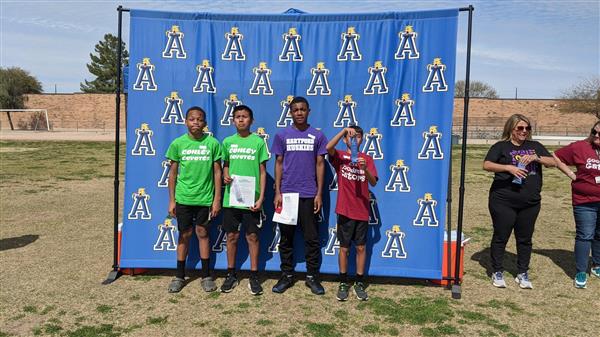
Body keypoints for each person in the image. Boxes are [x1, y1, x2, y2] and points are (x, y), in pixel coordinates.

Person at [483, 114, 555, 289]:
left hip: (530, 202)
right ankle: (497, 270)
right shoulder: (501, 147)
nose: (524, 131)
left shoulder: (535, 146)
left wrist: (536, 158)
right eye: (520, 128)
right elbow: (487, 164)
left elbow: (552, 162)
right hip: (503, 200)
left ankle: (522, 272)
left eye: (527, 128)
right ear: (511, 129)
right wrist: (508, 168)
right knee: (501, 235)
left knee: (525, 238)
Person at [271, 96, 328, 295]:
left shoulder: (317, 136)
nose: (299, 113)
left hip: (308, 194)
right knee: (285, 238)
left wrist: (319, 193)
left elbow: (321, 165)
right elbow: (278, 164)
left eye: (303, 109)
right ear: (290, 112)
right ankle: (286, 275)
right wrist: (277, 192)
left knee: (312, 239)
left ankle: (312, 277)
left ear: (308, 111)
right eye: (295, 110)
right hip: (286, 195)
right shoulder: (282, 135)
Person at [166, 106, 222, 293]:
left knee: (203, 233)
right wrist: (172, 200)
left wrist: (216, 200)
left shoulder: (213, 143)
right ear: (186, 121)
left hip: (205, 199)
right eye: (192, 119)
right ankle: (179, 276)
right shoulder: (177, 144)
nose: (195, 122)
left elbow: (217, 172)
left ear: (205, 123)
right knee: (184, 235)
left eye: (199, 119)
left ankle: (206, 275)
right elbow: (172, 174)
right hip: (183, 198)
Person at [220, 105, 269, 295]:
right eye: (237, 117)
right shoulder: (227, 142)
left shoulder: (258, 142)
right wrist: (225, 176)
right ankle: (231, 274)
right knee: (231, 236)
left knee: (253, 237)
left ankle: (254, 275)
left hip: (252, 199)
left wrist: (262, 197)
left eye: (245, 117)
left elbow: (263, 172)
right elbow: (226, 165)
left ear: (252, 121)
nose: (241, 119)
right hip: (231, 198)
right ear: (233, 120)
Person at [326, 126, 378, 301]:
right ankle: (343, 281)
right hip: (345, 209)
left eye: (357, 137)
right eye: (350, 137)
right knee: (344, 248)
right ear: (345, 140)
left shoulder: (367, 159)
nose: (354, 139)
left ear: (362, 139)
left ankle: (359, 281)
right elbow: (328, 148)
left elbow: (373, 183)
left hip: (362, 211)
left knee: (361, 247)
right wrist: (343, 131)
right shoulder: (341, 156)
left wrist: (365, 170)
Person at [553, 121, 600, 289]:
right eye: (594, 132)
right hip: (584, 201)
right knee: (585, 235)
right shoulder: (580, 147)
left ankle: (597, 265)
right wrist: (571, 174)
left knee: (599, 234)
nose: (596, 135)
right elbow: (556, 156)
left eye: (599, 134)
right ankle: (581, 271)